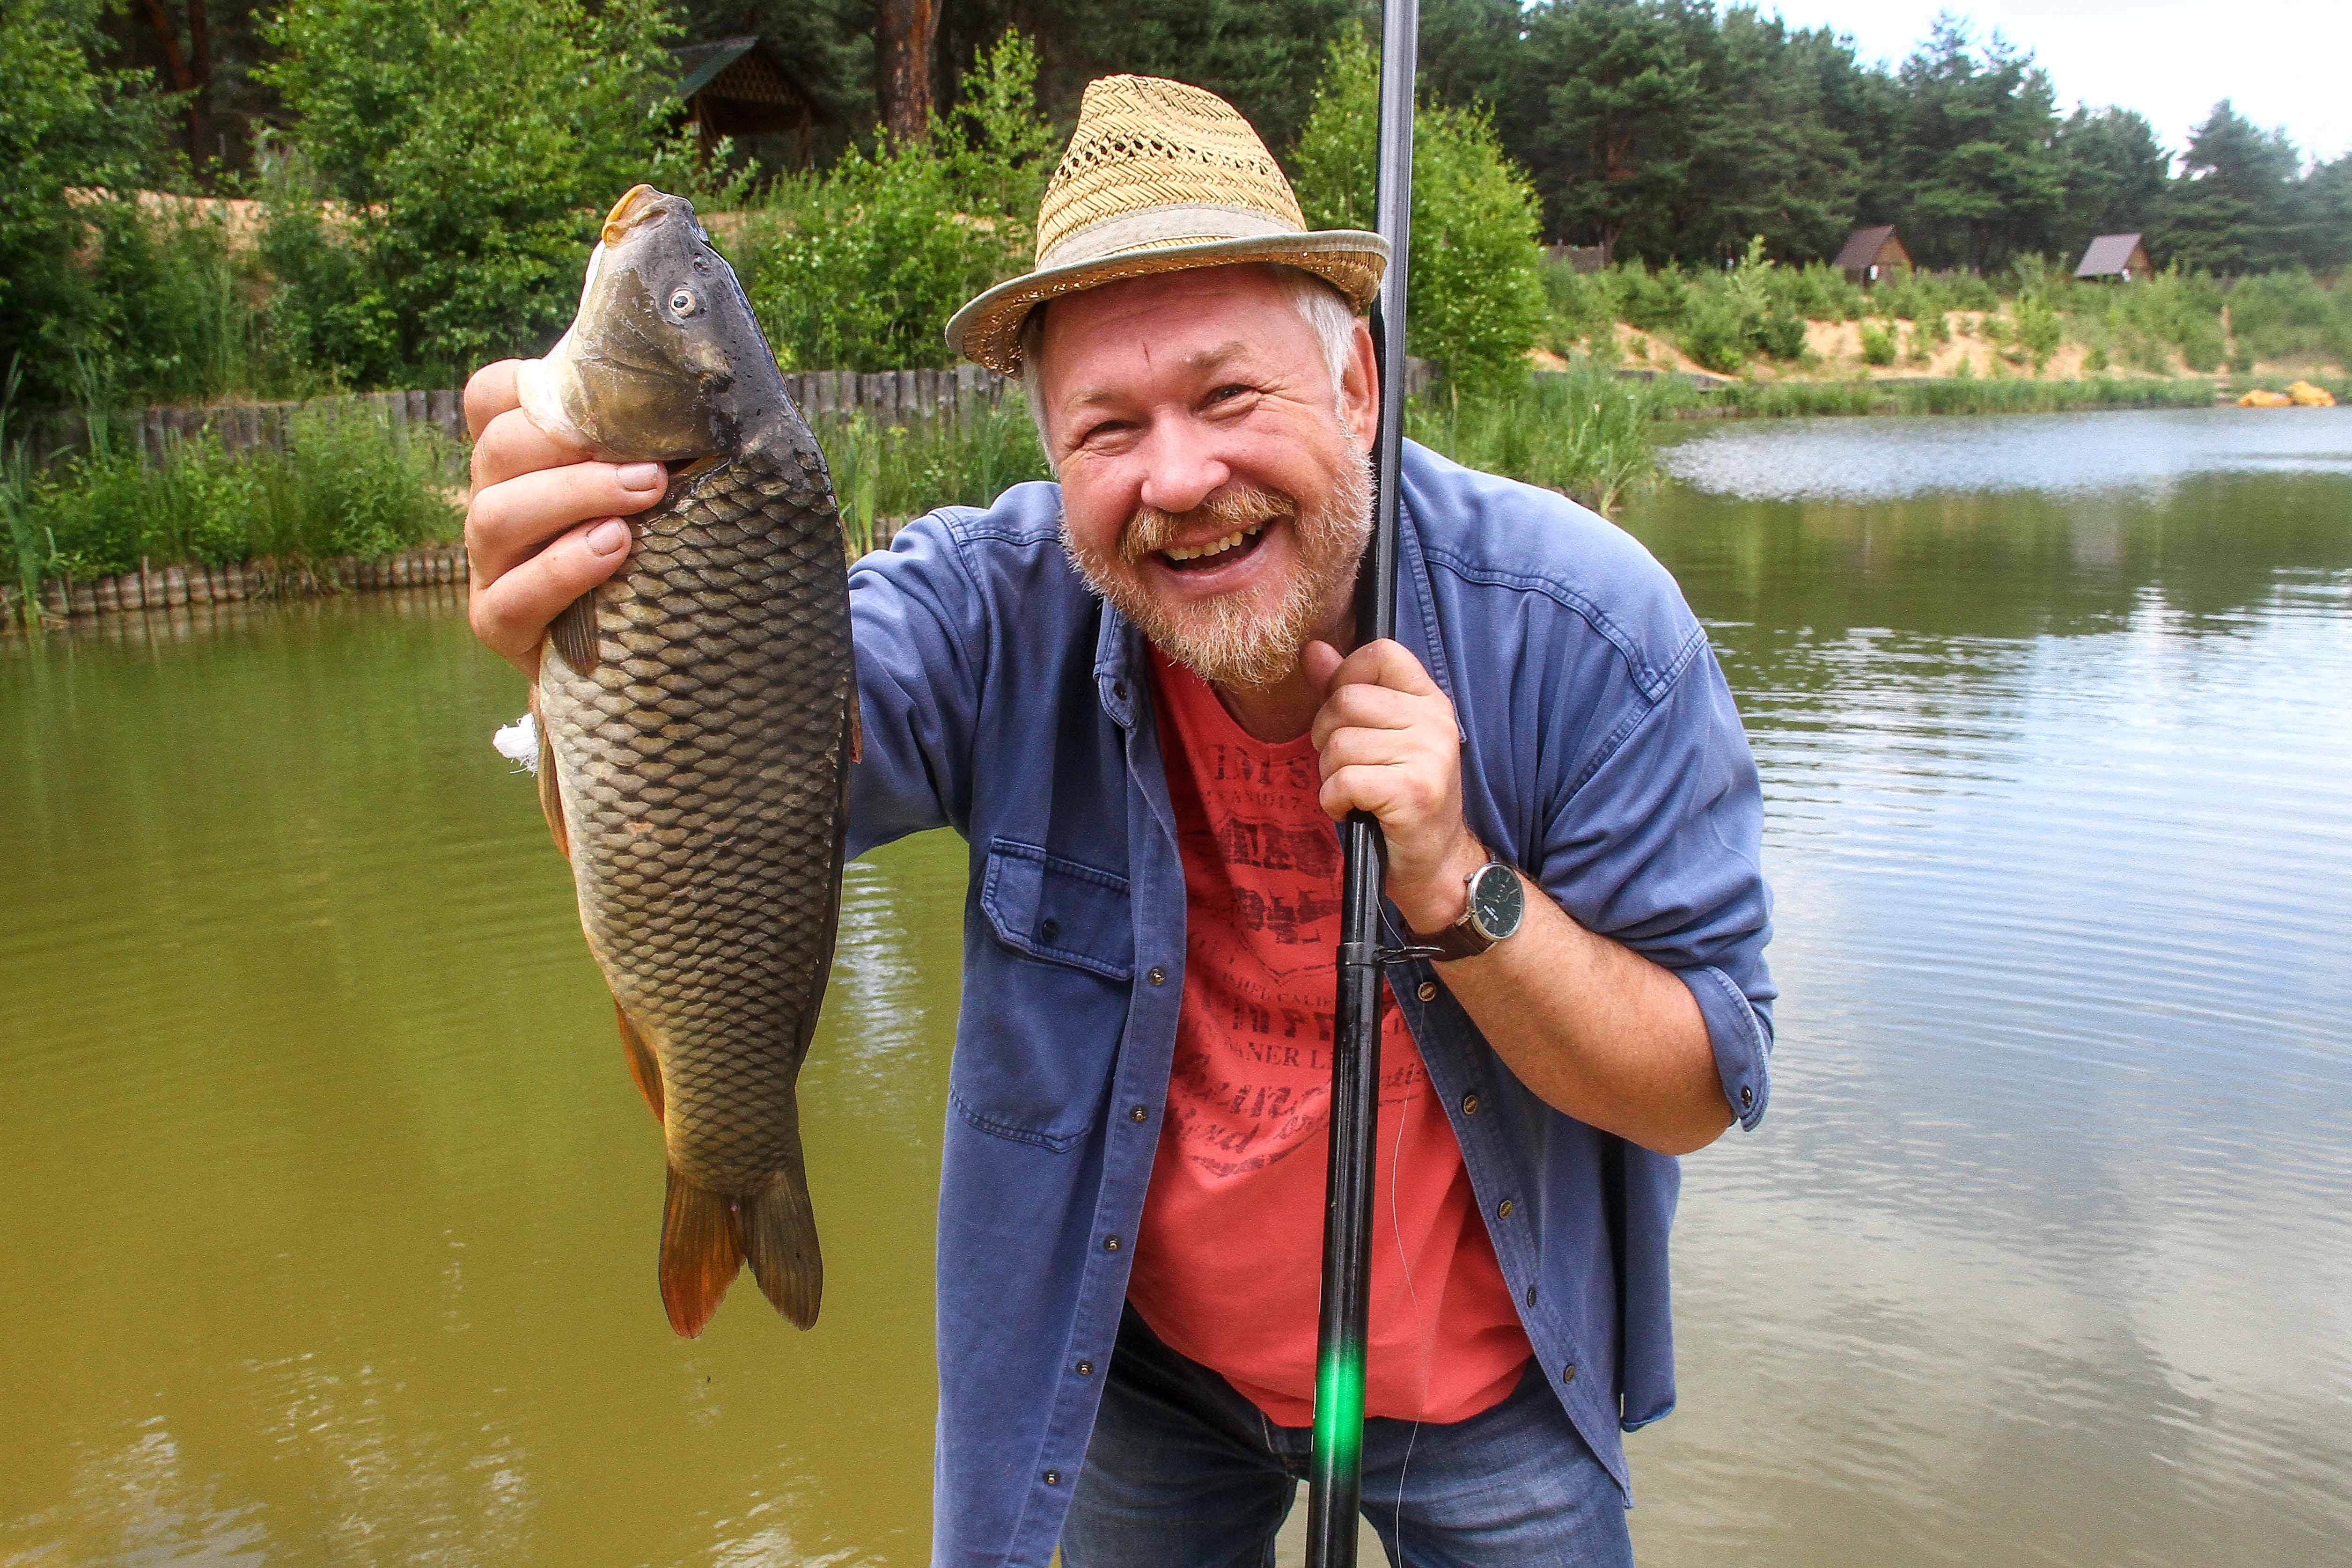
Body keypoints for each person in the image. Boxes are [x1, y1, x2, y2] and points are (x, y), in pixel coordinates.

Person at [463, 74, 1772, 1568]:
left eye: (1228, 397)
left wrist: (1458, 882)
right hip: (1138, 1376)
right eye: (1107, 426)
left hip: (1485, 1396)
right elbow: (746, 764)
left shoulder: (1589, 632)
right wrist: (602, 614)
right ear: (1050, 453)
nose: (1180, 479)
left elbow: (1694, 1090)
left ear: (1356, 388)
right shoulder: (993, 608)